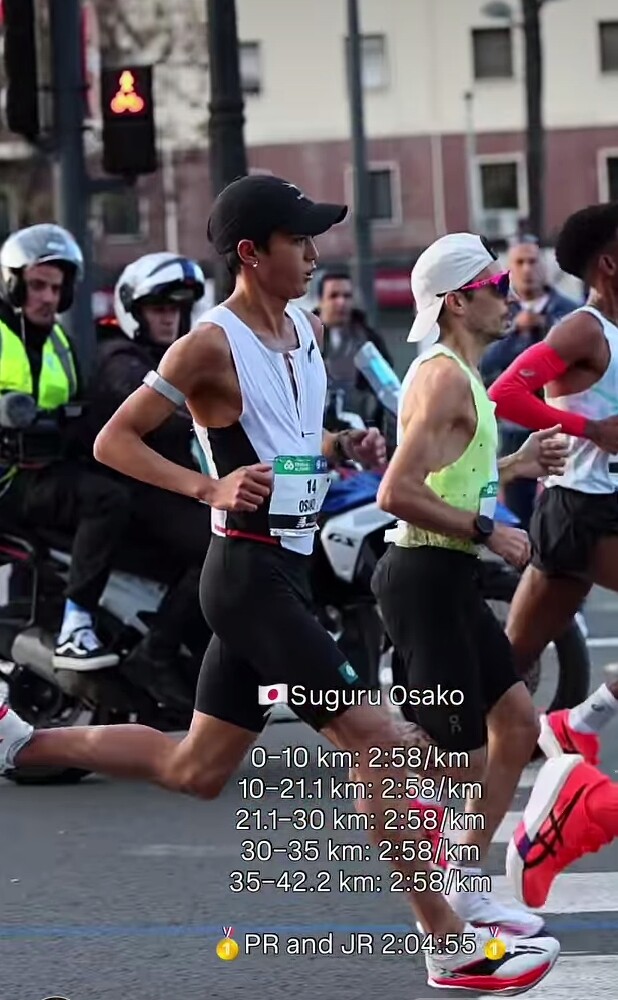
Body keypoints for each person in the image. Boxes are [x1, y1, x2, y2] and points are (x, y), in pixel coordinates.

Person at [0, 178, 558, 994]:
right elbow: (116, 442)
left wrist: (337, 446)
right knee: (380, 744)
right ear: (251, 254)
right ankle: (449, 940)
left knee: (196, 768)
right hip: (245, 575)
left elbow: (286, 438)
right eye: (299, 241)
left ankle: (19, 741)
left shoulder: (304, 328)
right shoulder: (207, 345)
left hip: (287, 571)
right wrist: (209, 487)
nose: (314, 254)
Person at [372, 230, 566, 937]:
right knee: (459, 761)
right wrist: (489, 531)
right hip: (423, 577)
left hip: (448, 576)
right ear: (458, 302)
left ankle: (467, 884)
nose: (508, 295)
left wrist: (515, 465)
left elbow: (451, 475)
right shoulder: (445, 377)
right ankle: (372, 768)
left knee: (516, 724)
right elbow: (396, 492)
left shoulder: (462, 374)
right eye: (495, 285)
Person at [484, 202, 618, 911]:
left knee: (508, 666)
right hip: (581, 512)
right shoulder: (583, 329)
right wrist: (589, 428)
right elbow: (507, 392)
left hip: (597, 510)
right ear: (609, 264)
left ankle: (570, 725)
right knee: (505, 668)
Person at [0, 223, 130, 667]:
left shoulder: (60, 343)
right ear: (13, 284)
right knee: (107, 500)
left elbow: (80, 410)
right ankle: (77, 627)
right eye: (37, 286)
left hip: (46, 472)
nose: (48, 298)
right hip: (8, 479)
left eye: (57, 289)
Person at [86, 252, 212, 707]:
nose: (169, 318)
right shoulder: (119, 358)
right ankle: (155, 654)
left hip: (173, 491)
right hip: (136, 493)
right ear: (133, 311)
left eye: (176, 309)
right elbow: (151, 403)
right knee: (221, 545)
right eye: (159, 309)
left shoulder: (178, 357)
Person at [479, 235, 578, 528]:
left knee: (565, 507)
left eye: (532, 261)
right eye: (519, 262)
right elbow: (484, 363)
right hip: (514, 426)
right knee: (519, 511)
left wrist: (548, 330)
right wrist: (516, 332)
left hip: (560, 422)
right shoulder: (497, 312)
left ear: (544, 265)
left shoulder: (570, 311)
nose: (527, 269)